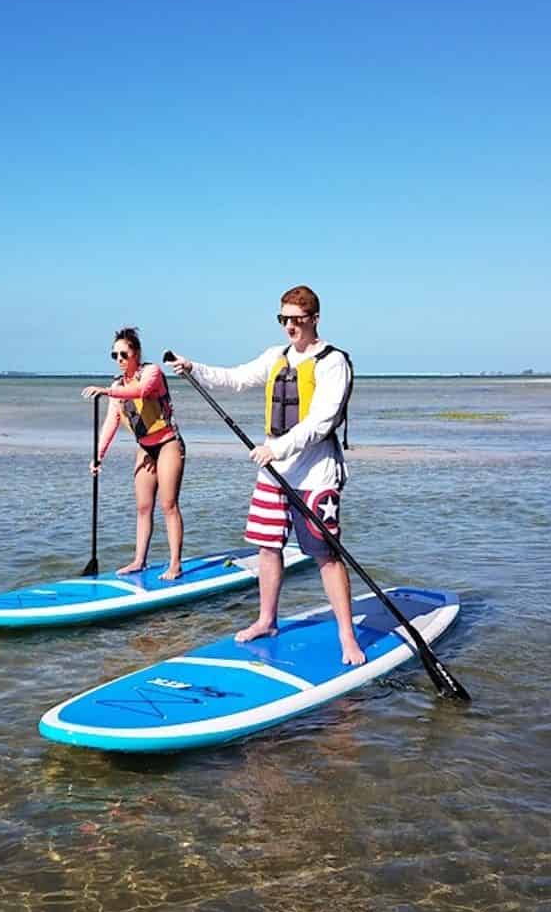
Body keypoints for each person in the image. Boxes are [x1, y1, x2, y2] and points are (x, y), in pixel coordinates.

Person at [168, 285, 365, 665]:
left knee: (325, 555)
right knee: (267, 546)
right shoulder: (277, 356)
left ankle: (347, 636)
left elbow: (321, 421)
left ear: (314, 319)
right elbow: (237, 378)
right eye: (283, 319)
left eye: (296, 319)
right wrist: (194, 369)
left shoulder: (331, 362)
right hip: (273, 471)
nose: (289, 326)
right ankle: (266, 620)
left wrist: (276, 448)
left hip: (315, 473)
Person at [81, 327, 186, 580]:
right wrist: (98, 456)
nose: (119, 360)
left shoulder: (152, 373)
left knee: (168, 504)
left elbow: (142, 391)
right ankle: (139, 560)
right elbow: (111, 423)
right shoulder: (117, 386)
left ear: (136, 353)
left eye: (124, 354)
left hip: (168, 442)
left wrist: (106, 391)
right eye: (114, 355)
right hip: (145, 447)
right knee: (143, 506)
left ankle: (175, 564)